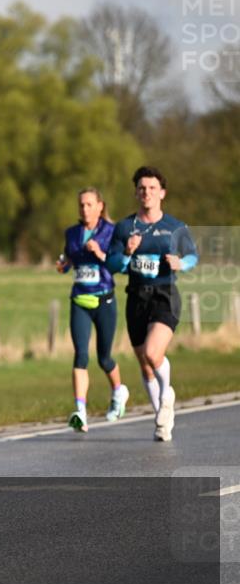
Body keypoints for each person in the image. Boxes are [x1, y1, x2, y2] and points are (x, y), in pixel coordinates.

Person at [106, 166, 198, 441]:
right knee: (145, 365)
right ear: (136, 193)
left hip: (164, 295)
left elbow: (193, 256)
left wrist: (181, 263)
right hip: (136, 297)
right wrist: (126, 252)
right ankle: (162, 417)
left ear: (162, 193)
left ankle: (167, 394)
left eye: (152, 188)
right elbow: (112, 265)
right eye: (142, 188)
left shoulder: (175, 227)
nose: (147, 192)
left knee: (153, 353)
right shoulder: (124, 227)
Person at [56, 188, 128, 433]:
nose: (84, 209)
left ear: (100, 206)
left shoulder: (112, 232)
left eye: (89, 204)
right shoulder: (72, 233)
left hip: (104, 300)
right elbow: (69, 260)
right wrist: (63, 265)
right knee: (81, 356)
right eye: (81, 205)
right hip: (80, 300)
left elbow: (117, 263)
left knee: (104, 358)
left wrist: (100, 252)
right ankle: (80, 412)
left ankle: (118, 392)